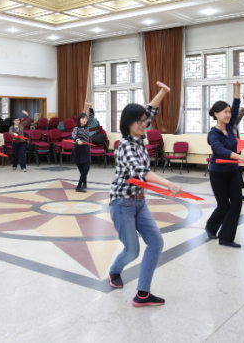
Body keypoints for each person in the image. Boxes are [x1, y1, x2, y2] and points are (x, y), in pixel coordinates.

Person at [108, 82, 181, 307]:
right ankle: (114, 271)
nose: (144, 124)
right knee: (132, 251)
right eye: (139, 121)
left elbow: (149, 110)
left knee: (156, 243)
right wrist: (167, 183)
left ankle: (142, 293)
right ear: (128, 123)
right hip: (122, 203)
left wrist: (163, 92)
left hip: (140, 202)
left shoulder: (139, 137)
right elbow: (140, 171)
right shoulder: (125, 145)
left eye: (144, 121)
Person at [205, 81, 244, 248]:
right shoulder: (213, 134)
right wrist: (242, 158)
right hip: (218, 173)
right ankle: (211, 226)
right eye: (225, 112)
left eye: (229, 112)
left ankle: (226, 238)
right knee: (223, 205)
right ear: (216, 114)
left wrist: (238, 88)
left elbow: (236, 105)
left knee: (237, 204)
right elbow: (220, 151)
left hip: (233, 171)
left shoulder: (231, 125)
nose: (228, 114)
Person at [71, 102, 94, 193]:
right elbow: (73, 135)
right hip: (77, 150)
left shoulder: (87, 127)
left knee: (86, 169)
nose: (85, 120)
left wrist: (91, 108)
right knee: (81, 170)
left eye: (85, 118)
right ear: (79, 119)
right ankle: (84, 184)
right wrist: (77, 140)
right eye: (83, 118)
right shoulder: (76, 128)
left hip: (85, 149)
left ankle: (79, 186)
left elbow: (91, 116)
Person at [233, 95, 244, 201]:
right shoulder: (222, 127)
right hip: (229, 155)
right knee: (234, 175)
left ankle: (238, 194)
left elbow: (240, 115)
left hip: (236, 154)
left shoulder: (233, 123)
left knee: (238, 174)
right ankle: (234, 195)